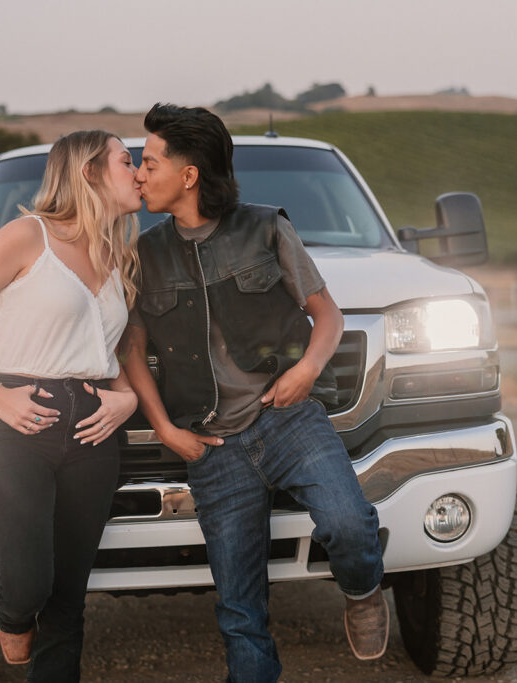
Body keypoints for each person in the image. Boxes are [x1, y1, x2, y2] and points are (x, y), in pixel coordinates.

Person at [120, 104, 388, 682]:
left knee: (348, 525)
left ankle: (364, 588)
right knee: (240, 610)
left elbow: (328, 315)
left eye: (149, 162)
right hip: (212, 447)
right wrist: (167, 429)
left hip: (287, 420)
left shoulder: (266, 227)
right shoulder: (145, 254)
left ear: (188, 175)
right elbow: (131, 349)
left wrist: (307, 370)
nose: (139, 174)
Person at [0, 130, 142, 681]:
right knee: (29, 585)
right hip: (20, 419)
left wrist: (128, 399)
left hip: (96, 431)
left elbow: (105, 351)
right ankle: (10, 602)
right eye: (126, 161)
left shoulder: (118, 252)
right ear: (89, 172)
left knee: (68, 597)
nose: (138, 171)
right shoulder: (28, 237)